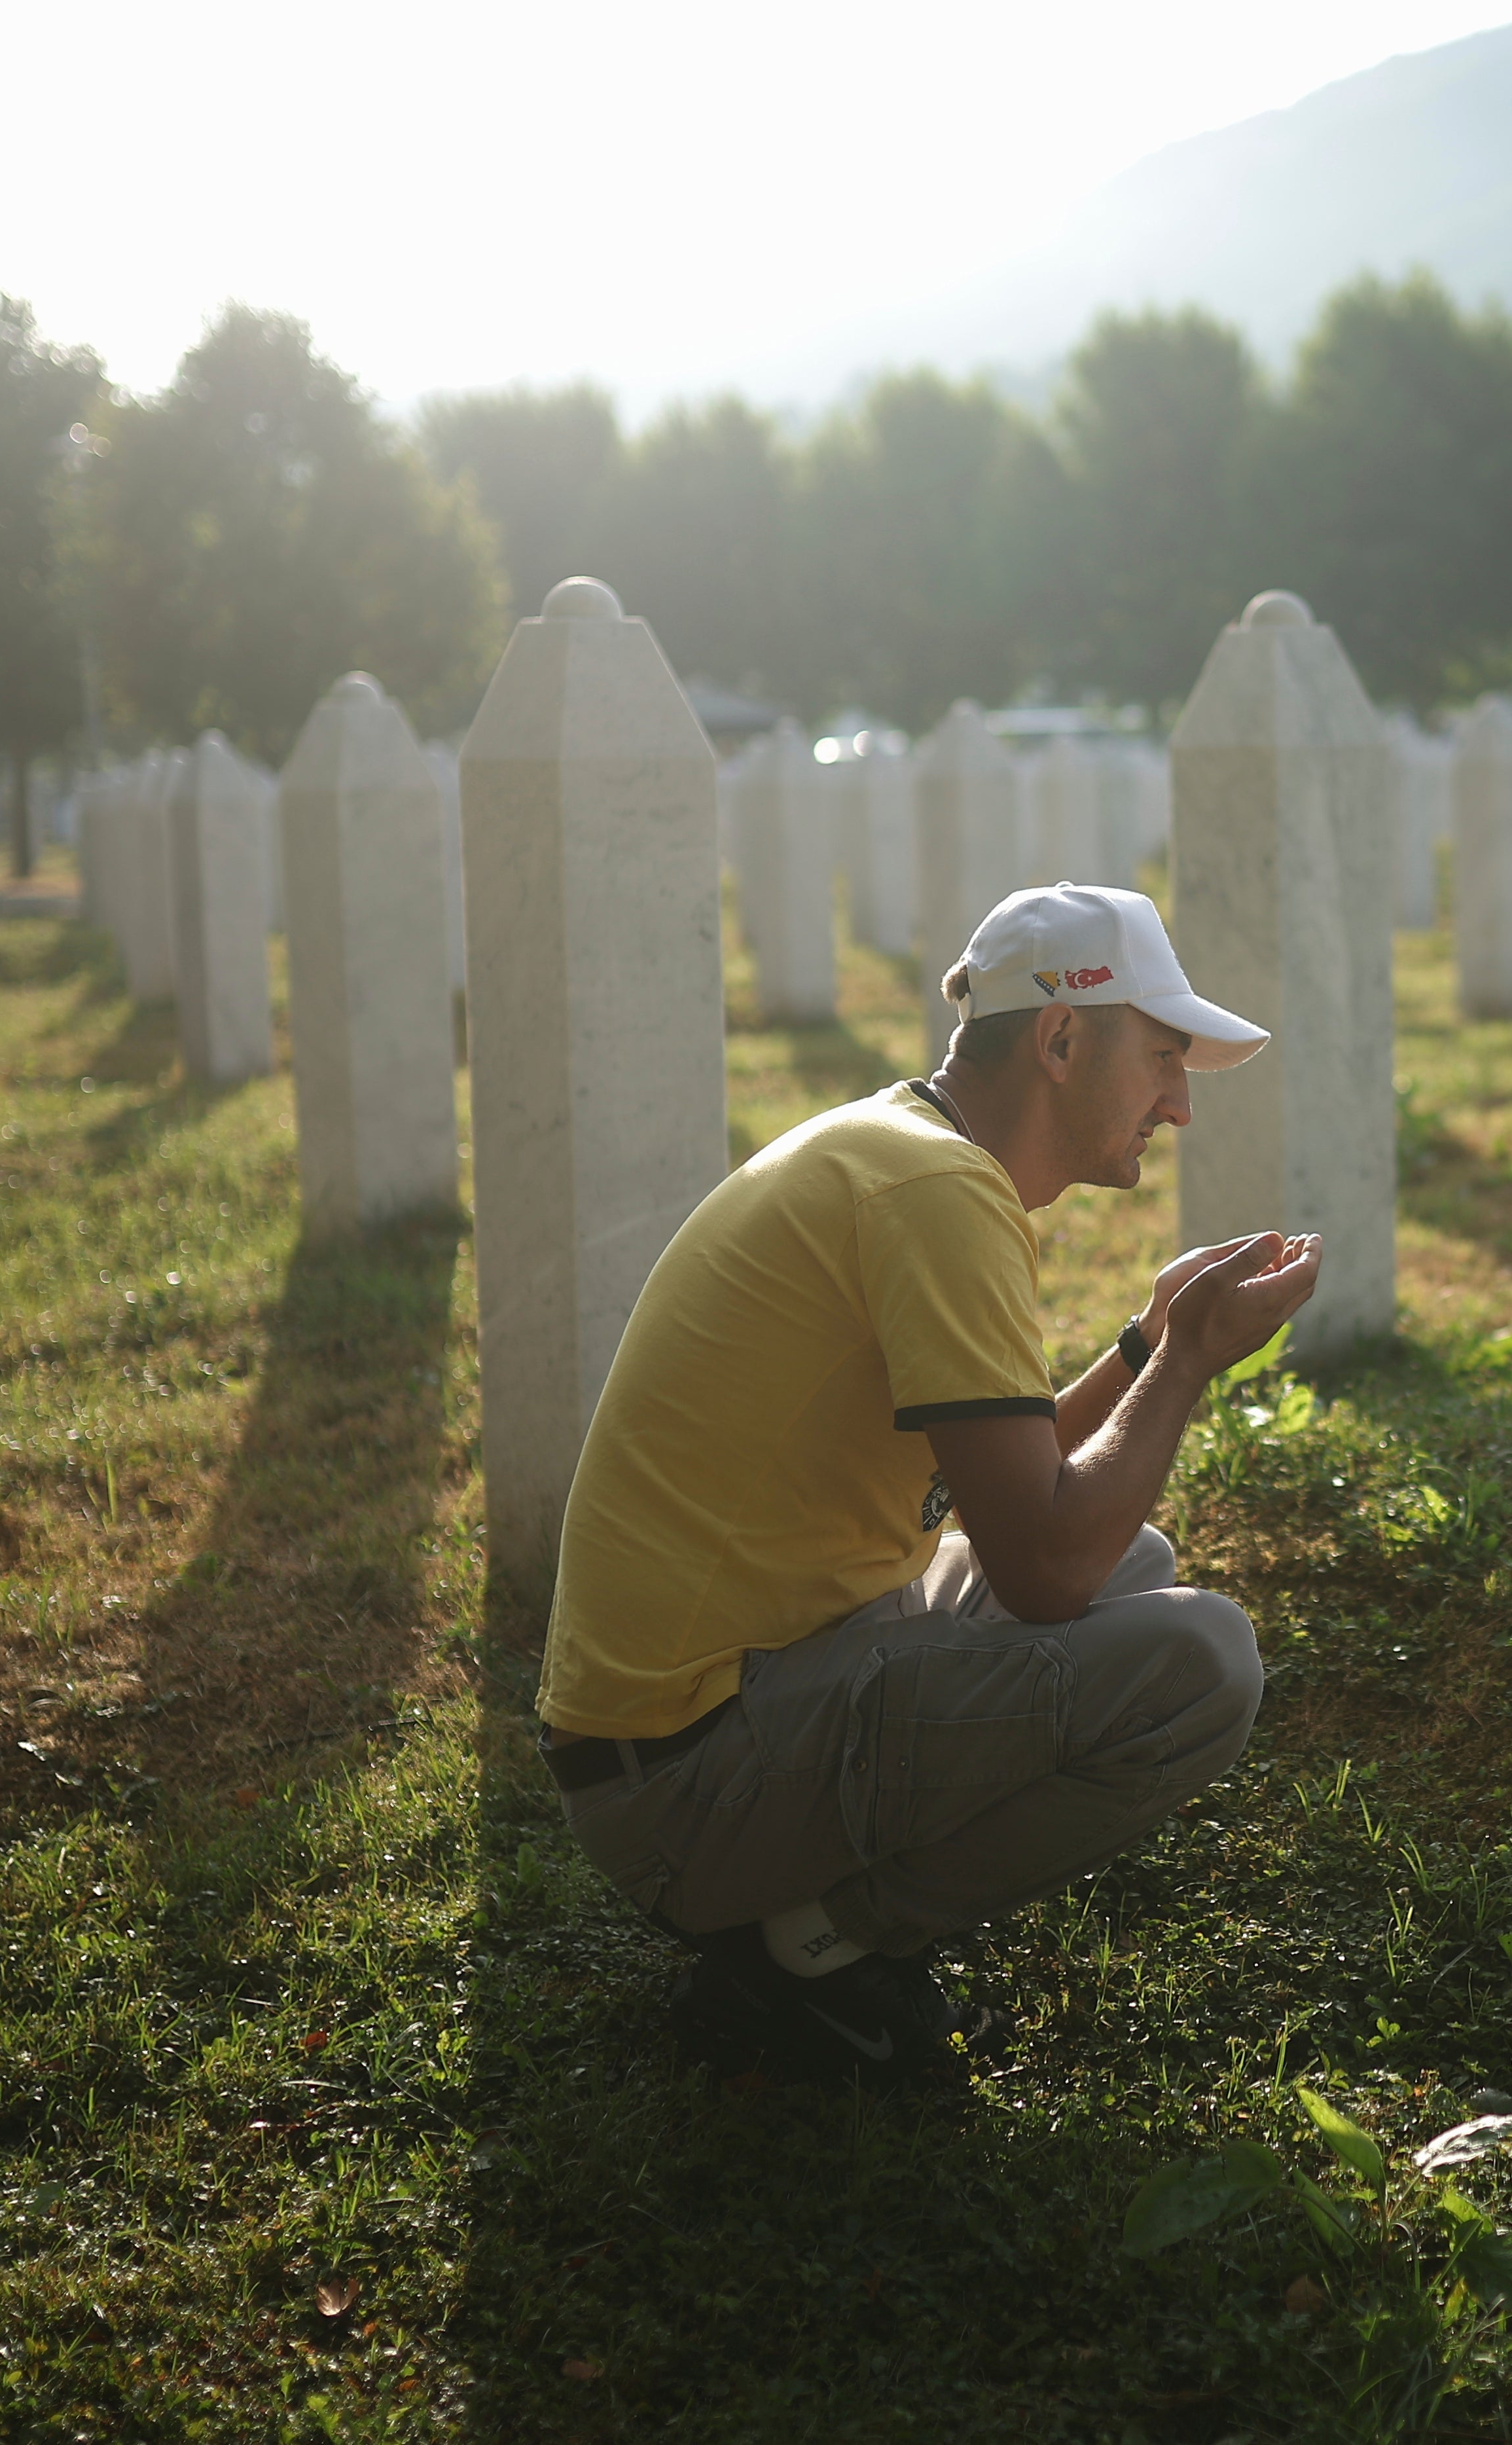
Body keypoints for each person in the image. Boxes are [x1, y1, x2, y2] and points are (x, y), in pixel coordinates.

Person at [535, 881, 1323, 2086]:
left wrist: (1138, 1347)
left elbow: (999, 1487)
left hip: (714, 1706)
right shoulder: (938, 1193)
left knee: (1143, 1565)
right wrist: (1189, 1364)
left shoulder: (903, 1152)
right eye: (1164, 1058)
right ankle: (804, 1951)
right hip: (683, 1787)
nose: (1178, 1105)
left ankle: (795, 1929)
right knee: (1200, 1666)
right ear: (1061, 1038)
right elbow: (1045, 1568)